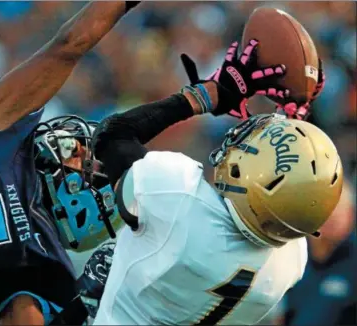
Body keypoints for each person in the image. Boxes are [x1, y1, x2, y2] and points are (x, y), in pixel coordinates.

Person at [89, 40, 342, 325]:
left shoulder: (176, 193)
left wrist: (207, 95)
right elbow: (293, 190)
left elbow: (114, 135)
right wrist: (294, 126)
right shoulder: (291, 261)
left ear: (244, 176)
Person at [0, 2, 139, 325]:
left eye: (89, 158)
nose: (78, 147)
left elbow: (71, 43)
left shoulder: (48, 264)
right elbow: (69, 43)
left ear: (92, 201)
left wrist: (81, 309)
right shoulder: (3, 126)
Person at [282, 180, 356, 326]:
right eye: (325, 207)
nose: (332, 214)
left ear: (350, 214)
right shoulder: (291, 255)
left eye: (339, 208)